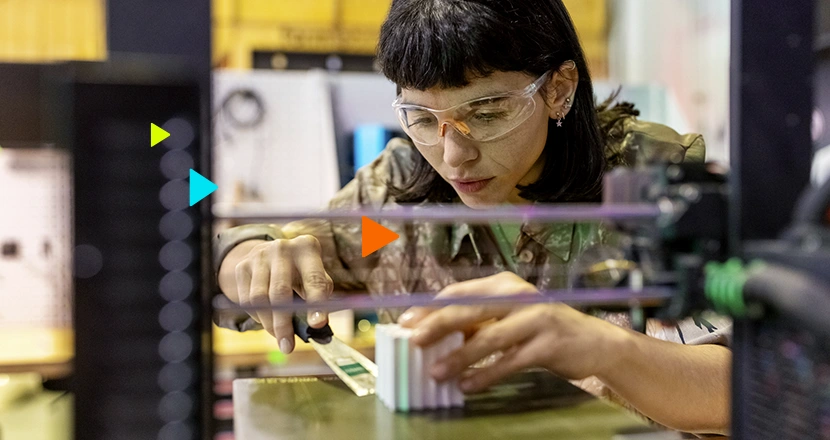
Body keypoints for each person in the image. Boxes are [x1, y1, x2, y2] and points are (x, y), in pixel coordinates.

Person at [214, 0, 731, 435]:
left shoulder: (654, 184)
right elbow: (238, 262)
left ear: (558, 89)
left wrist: (604, 349)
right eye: (422, 118)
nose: (454, 156)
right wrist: (250, 257)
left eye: (486, 114)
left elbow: (745, 386)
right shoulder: (394, 203)